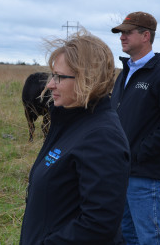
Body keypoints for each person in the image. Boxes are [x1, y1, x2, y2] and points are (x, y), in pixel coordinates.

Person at [20, 29, 131, 244]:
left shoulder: (103, 138)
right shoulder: (69, 122)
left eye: (59, 77)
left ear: (88, 79)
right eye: (52, 75)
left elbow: (99, 224)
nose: (50, 84)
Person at [110, 11, 160, 245]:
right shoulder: (124, 73)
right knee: (126, 234)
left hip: (144, 173)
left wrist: (140, 152)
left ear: (146, 36)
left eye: (127, 32)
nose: (122, 37)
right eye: (120, 33)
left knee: (149, 237)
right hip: (119, 170)